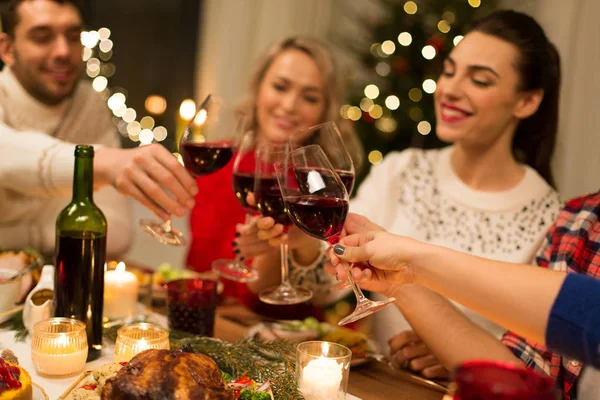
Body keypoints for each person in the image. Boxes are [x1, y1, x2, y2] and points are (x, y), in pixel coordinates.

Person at [246, 8, 562, 371]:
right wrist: (299, 242)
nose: (450, 90)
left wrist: (460, 353)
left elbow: (542, 368)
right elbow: (329, 284)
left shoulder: (551, 217)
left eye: (480, 80)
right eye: (449, 71)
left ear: (527, 101)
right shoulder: (401, 169)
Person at [327, 191, 600, 400]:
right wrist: (397, 282)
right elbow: (523, 379)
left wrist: (413, 262)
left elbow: (590, 316)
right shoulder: (580, 219)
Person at [0, 0, 197, 257]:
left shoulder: (89, 102)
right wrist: (103, 163)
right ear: (8, 49)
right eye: (42, 38)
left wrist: (12, 238)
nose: (62, 51)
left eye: (73, 37)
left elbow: (116, 231)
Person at [186, 36, 363, 316]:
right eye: (280, 87)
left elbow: (322, 295)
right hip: (202, 320)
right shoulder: (222, 163)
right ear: (258, 90)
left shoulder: (322, 186)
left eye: (310, 97)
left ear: (324, 109)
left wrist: (282, 246)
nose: (290, 105)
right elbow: (198, 264)